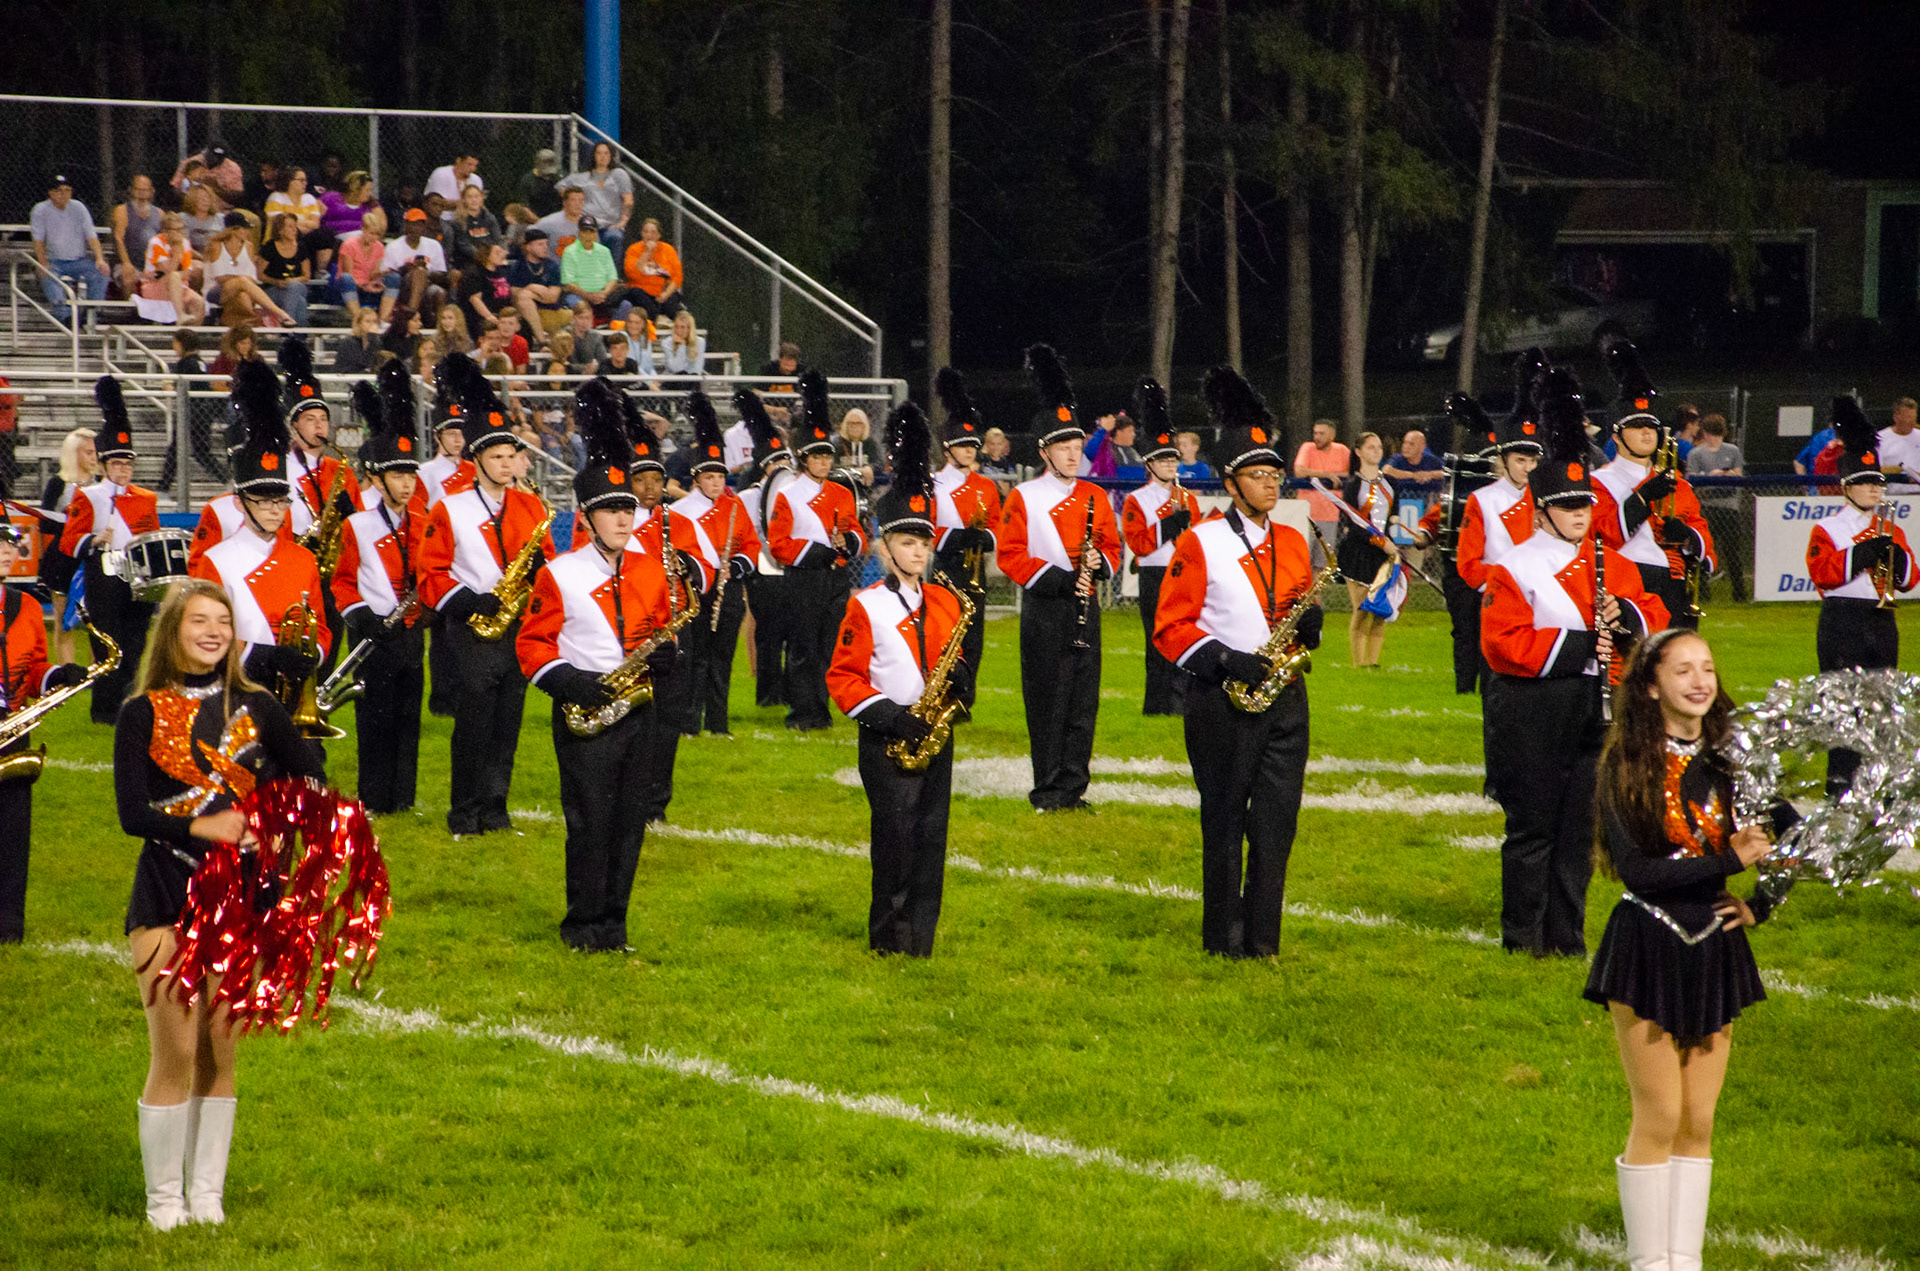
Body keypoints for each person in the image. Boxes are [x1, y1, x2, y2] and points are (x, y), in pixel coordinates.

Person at [116, 580, 324, 1231]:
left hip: (243, 895)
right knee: (175, 1051)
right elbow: (132, 814)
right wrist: (201, 827)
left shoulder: (258, 705)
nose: (212, 632)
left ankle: (207, 1197)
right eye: (199, 621)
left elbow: (311, 775)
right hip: (167, 892)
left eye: (223, 622)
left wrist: (277, 819)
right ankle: (163, 1203)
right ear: (173, 630)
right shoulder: (142, 712)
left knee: (219, 1050)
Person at [1584, 629, 1780, 1271]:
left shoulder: (1734, 762)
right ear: (1651, 686)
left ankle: (1684, 1260)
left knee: (1699, 1118)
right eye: (1683, 670)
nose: (1700, 681)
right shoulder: (1624, 763)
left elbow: (1794, 833)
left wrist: (1762, 903)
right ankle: (1650, 1263)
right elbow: (1638, 873)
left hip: (1717, 946)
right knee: (1661, 1114)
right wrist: (1729, 862)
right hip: (1647, 942)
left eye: (1708, 669)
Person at [1480, 370, 1667, 957]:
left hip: (1597, 704)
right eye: (1566, 506)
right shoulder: (1515, 566)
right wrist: (1586, 643)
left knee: (1579, 828)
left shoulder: (1614, 563)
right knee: (1533, 825)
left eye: (1584, 504)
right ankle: (1522, 939)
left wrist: (1627, 618)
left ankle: (1567, 939)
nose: (1580, 515)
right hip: (1534, 706)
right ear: (1542, 512)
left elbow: (1655, 620)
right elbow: (1503, 644)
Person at [1153, 367, 1321, 957]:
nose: (1271, 484)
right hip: (1222, 700)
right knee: (1224, 821)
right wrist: (1224, 659)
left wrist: (1310, 625)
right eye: (1258, 474)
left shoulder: (1294, 540)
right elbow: (1170, 627)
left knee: (1277, 824)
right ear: (1231, 481)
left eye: (1275, 473)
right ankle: (1223, 939)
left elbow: (1294, 603)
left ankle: (1263, 940)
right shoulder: (1200, 541)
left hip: (1286, 698)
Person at [518, 380, 674, 951]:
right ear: (586, 517)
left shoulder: (651, 568)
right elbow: (532, 646)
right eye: (611, 509)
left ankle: (615, 923)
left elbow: (659, 626)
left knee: (630, 823)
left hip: (638, 711)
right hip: (584, 712)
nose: (624, 518)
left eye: (628, 508)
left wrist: (668, 653)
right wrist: (571, 683)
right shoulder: (559, 573)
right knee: (589, 822)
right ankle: (582, 925)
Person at [829, 404, 970, 957]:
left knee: (932, 836)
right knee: (894, 838)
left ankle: (921, 938)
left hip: (936, 732)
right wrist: (891, 716)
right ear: (885, 549)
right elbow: (843, 677)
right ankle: (888, 937)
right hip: (888, 735)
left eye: (924, 544)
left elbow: (952, 659)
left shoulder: (945, 600)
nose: (918, 552)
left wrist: (960, 684)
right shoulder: (865, 605)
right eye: (908, 543)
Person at [418, 354, 557, 835]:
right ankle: (464, 811)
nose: (506, 464)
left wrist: (538, 578)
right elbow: (431, 573)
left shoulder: (530, 505)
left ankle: (496, 810)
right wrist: (470, 601)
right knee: (475, 722)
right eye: (497, 457)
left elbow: (546, 562)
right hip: (472, 626)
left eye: (511, 456)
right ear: (476, 460)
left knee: (507, 721)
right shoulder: (449, 508)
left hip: (517, 625)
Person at [997, 345, 1121, 812]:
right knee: (1049, 700)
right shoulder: (1025, 496)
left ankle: (1073, 787)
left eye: (1076, 447)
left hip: (1086, 607)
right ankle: (1048, 788)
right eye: (1064, 449)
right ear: (1044, 451)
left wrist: (1097, 564)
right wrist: (1061, 578)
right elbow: (1010, 555)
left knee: (1083, 703)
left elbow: (1112, 548)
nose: (1073, 456)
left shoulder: (1095, 496)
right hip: (1046, 608)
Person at [187, 359, 333, 705]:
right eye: (263, 500)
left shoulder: (303, 559)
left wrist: (313, 656)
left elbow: (321, 627)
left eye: (280, 500)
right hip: (235, 690)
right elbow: (204, 634)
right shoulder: (215, 561)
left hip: (292, 694)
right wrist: (264, 657)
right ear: (240, 503)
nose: (274, 509)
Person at [1805, 396, 1918, 796]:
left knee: (1881, 705)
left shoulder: (1892, 528)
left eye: (1878, 483)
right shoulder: (1829, 528)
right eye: (1866, 482)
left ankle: (1878, 784)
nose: (1874, 489)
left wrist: (1897, 558)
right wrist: (1862, 553)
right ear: (1848, 486)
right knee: (1843, 704)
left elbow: (1909, 580)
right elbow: (1821, 573)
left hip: (1882, 619)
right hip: (1842, 621)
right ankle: (1840, 783)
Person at [331, 364, 426, 814]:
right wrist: (361, 615)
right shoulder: (358, 524)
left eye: (411, 476)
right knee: (374, 715)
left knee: (409, 716)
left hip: (409, 631)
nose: (407, 484)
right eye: (398, 476)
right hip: (371, 633)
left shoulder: (424, 524)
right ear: (379, 478)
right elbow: (342, 581)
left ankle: (402, 798)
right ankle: (373, 795)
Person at [0, 523, 89, 944]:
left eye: (9, 543)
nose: (7, 551)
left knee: (13, 832)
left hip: (12, 730)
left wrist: (56, 674)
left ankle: (7, 927)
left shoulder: (27, 606)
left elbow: (34, 666)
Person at [769, 376, 868, 733]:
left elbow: (858, 532)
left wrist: (849, 543)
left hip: (835, 579)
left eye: (828, 457)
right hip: (804, 578)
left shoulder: (842, 493)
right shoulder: (789, 494)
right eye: (818, 457)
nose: (825, 463)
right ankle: (801, 712)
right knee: (803, 646)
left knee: (830, 646)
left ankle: (822, 710)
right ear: (804, 459)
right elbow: (778, 543)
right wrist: (816, 553)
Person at [60, 379, 162, 722]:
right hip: (103, 576)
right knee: (108, 643)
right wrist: (93, 540)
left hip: (138, 577)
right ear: (104, 465)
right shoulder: (88, 496)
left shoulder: (146, 498)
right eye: (117, 464)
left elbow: (153, 536)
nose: (123, 470)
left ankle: (130, 704)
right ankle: (104, 710)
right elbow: (68, 541)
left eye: (128, 464)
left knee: (136, 643)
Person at [1592, 346, 1715, 632]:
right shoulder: (1598, 482)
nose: (1647, 432)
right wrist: (1643, 497)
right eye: (1637, 426)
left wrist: (1688, 538)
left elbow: (1704, 539)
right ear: (1617, 437)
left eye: (1651, 425)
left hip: (1674, 585)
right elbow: (1600, 536)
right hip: (1627, 583)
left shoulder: (1678, 485)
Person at [668, 390, 763, 736]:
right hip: (695, 595)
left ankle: (718, 724)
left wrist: (734, 568)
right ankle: (689, 722)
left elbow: (751, 547)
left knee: (722, 658)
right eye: (709, 478)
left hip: (729, 591)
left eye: (720, 477)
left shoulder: (735, 508)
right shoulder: (680, 512)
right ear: (696, 480)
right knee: (694, 658)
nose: (716, 483)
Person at [1401, 392, 1500, 695]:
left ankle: (1492, 686)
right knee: (1465, 630)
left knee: (1494, 629)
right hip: (1460, 568)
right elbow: (1437, 516)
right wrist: (1423, 534)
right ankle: (1465, 687)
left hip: (1497, 572)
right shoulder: (1468, 494)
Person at [1118, 379, 1199, 715]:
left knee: (1183, 634)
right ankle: (1155, 703)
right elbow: (1137, 542)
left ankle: (1180, 702)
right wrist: (1169, 524)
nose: (1171, 465)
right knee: (1155, 637)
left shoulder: (1188, 498)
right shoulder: (1136, 499)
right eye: (1163, 461)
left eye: (1173, 460)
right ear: (1149, 464)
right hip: (1154, 573)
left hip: (1183, 573)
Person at [930, 368, 1004, 714]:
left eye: (973, 445)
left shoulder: (987, 486)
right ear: (948, 449)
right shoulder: (934, 484)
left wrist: (985, 537)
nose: (970, 450)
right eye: (963, 445)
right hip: (946, 569)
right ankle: (941, 694)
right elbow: (929, 528)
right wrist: (959, 536)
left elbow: (997, 527)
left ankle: (964, 699)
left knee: (974, 637)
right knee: (946, 633)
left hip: (976, 571)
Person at [736, 393, 795, 710]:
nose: (784, 467)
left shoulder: (796, 493)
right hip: (763, 570)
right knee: (768, 634)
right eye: (778, 463)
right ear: (765, 467)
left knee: (793, 633)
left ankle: (790, 691)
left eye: (786, 461)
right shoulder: (747, 498)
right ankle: (768, 693)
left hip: (791, 568)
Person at [1337, 432, 1399, 668]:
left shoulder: (1390, 483)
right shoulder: (1354, 485)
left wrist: (1395, 526)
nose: (1376, 451)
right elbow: (1354, 525)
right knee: (1363, 608)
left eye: (1379, 447)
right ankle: (1358, 663)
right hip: (1359, 552)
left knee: (1381, 610)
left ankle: (1373, 663)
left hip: (1384, 554)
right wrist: (1381, 542)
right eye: (1371, 447)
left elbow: (1392, 514)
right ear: (1359, 452)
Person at [36, 427, 96, 663]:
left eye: (95, 452)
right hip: (63, 557)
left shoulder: (103, 483)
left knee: (97, 621)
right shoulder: (58, 484)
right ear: (74, 453)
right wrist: (70, 518)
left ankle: (98, 674)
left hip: (93, 555)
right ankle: (67, 673)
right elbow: (44, 523)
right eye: (88, 452)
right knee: (63, 621)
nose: (94, 457)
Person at [30, 174, 111, 327]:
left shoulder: (78, 207)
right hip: (54, 261)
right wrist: (42, 262)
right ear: (51, 193)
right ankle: (66, 317)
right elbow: (38, 240)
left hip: (78, 260)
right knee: (48, 275)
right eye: (59, 190)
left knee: (101, 272)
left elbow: (91, 235)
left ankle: (92, 311)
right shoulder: (40, 210)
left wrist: (100, 258)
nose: (64, 194)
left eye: (67, 190)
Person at [1685, 413, 1745, 603]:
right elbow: (1691, 479)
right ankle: (1703, 594)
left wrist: (1729, 475)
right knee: (1703, 550)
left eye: (1718, 435)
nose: (1714, 439)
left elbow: (1739, 474)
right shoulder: (1696, 453)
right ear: (1705, 433)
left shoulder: (1732, 451)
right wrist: (1710, 476)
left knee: (1733, 552)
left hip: (1729, 506)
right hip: (1707, 507)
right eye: (1711, 435)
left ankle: (1740, 594)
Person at [156, 331, 225, 493]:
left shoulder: (186, 363)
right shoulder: (200, 362)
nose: (174, 348)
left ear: (182, 344)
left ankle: (163, 488)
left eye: (176, 343)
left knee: (177, 450)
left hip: (190, 411)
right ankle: (226, 478)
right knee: (200, 451)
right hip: (203, 411)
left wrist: (171, 388)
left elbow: (185, 386)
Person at [558, 143, 634, 257]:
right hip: (588, 223)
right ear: (594, 155)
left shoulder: (618, 174)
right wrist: (575, 201)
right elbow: (561, 187)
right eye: (599, 153)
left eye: (606, 153)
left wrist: (623, 222)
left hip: (611, 225)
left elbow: (628, 200)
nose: (603, 157)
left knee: (615, 237)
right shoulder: (583, 177)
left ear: (611, 156)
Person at [1292, 420, 1351, 570]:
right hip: (1307, 514)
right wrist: (1327, 475)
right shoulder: (1308, 448)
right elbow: (1299, 471)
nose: (1317, 437)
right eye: (1315, 433)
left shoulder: (1342, 450)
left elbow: (1352, 473)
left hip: (1330, 515)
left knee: (1322, 564)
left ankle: (1317, 587)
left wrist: (1334, 475)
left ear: (1332, 435)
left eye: (1321, 434)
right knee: (1302, 561)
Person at [379, 210, 449, 325]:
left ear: (424, 227)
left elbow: (442, 274)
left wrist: (426, 271)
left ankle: (440, 327)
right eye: (412, 224)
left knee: (439, 292)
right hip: (403, 287)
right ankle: (411, 316)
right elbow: (386, 276)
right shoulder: (393, 246)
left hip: (428, 284)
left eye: (419, 225)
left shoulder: (434, 245)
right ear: (405, 226)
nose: (415, 228)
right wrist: (405, 269)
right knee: (419, 272)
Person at [138, 212, 207, 325]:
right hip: (154, 285)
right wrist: (176, 252)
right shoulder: (156, 243)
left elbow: (187, 272)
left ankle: (192, 333)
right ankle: (180, 315)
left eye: (182, 229)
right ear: (165, 232)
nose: (181, 233)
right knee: (174, 276)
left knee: (199, 302)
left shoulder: (185, 243)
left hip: (178, 285)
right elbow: (167, 271)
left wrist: (176, 276)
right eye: (177, 230)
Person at [616, 218, 687, 325]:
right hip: (642, 292)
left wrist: (666, 294)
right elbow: (632, 274)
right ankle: (656, 320)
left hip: (663, 292)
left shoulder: (668, 250)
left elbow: (677, 277)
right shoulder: (633, 249)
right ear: (642, 234)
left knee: (672, 299)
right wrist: (646, 253)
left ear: (658, 235)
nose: (649, 235)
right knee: (636, 293)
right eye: (646, 232)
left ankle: (672, 323)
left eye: (653, 232)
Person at [509, 229, 568, 342]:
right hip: (524, 311)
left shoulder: (553, 266)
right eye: (540, 244)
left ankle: (540, 340)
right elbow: (515, 296)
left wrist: (531, 291)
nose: (545, 247)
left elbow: (552, 297)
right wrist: (534, 289)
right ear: (528, 247)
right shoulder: (517, 267)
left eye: (546, 244)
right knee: (524, 299)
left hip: (551, 310)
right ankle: (541, 341)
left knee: (525, 296)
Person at [559, 216, 623, 321]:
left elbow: (613, 279)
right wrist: (588, 295)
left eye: (591, 232)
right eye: (585, 232)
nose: (588, 236)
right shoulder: (569, 252)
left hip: (603, 295)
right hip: (579, 295)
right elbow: (568, 283)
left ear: (596, 233)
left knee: (625, 305)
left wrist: (604, 293)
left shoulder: (604, 251)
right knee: (579, 305)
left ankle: (614, 328)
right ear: (579, 233)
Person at [111, 175, 164, 299]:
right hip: (128, 263)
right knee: (128, 275)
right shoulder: (122, 211)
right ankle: (131, 309)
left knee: (169, 276)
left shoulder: (160, 214)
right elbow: (119, 238)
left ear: (152, 191)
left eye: (145, 190)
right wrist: (126, 263)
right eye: (138, 190)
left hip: (153, 265)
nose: (141, 194)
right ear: (131, 190)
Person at [259, 214, 313, 327]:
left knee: (294, 287)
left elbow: (306, 276)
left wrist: (292, 281)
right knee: (301, 302)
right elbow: (260, 275)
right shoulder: (269, 247)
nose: (294, 230)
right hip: (274, 289)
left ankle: (287, 321)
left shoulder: (301, 247)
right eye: (290, 227)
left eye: (295, 226)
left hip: (298, 286)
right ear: (280, 230)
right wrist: (276, 282)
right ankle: (299, 333)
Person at [332, 210, 389, 317]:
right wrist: (364, 285)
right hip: (347, 285)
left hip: (367, 286)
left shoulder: (379, 247)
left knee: (393, 278)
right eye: (371, 233)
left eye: (377, 234)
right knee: (346, 278)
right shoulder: (349, 245)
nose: (374, 237)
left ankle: (383, 319)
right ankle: (358, 318)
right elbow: (349, 274)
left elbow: (373, 275)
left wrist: (379, 276)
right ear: (363, 229)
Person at [455, 241, 514, 342]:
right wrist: (490, 317)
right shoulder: (474, 273)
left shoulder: (502, 271)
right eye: (497, 252)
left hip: (502, 315)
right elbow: (475, 299)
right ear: (486, 255)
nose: (502, 255)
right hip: (481, 317)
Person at [447, 182, 502, 276]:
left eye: (476, 196)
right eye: (470, 197)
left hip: (491, 260)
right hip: (469, 263)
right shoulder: (458, 222)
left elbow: (497, 240)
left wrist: (494, 255)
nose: (474, 200)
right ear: (464, 200)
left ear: (481, 198)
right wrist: (483, 256)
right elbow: (464, 245)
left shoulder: (490, 218)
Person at [1382, 427, 1445, 508]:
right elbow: (1386, 470)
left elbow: (1446, 473)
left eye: (1411, 444)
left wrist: (1429, 474)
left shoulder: (1432, 461)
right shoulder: (1397, 459)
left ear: (1422, 447)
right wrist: (1414, 475)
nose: (1406, 447)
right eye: (1405, 443)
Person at [1875, 395, 1920, 492]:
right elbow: (1876, 469)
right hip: (1893, 494)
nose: (1911, 422)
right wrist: (1900, 470)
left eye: (1913, 417)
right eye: (1907, 417)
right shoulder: (1880, 439)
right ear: (1896, 417)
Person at [834, 407, 884, 492]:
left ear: (864, 426)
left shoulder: (870, 444)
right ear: (845, 425)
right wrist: (858, 471)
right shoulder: (838, 444)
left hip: (867, 488)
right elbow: (833, 466)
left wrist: (870, 468)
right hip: (843, 487)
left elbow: (879, 463)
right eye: (851, 423)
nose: (854, 427)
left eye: (858, 423)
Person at [319, 171, 377, 242]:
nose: (370, 193)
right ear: (356, 189)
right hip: (332, 240)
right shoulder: (331, 198)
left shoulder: (367, 207)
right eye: (367, 190)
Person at [424, 153, 484, 221]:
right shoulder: (441, 174)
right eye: (469, 164)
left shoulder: (476, 180)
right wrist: (465, 203)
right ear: (458, 160)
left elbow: (478, 205)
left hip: (466, 220)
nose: (472, 169)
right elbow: (437, 204)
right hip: (441, 219)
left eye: (475, 166)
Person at [1082, 411, 1139, 479]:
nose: (1133, 435)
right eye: (1130, 431)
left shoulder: (1132, 453)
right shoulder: (1106, 452)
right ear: (1119, 433)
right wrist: (1102, 430)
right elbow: (1090, 452)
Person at [532, 186, 588, 253]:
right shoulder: (551, 221)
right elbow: (529, 233)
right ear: (564, 203)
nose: (577, 204)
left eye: (581, 200)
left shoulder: (588, 223)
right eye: (573, 200)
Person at [332, 306, 384, 376]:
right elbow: (364, 363)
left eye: (374, 321)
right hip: (348, 378)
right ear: (359, 323)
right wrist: (372, 339)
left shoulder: (377, 341)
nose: (372, 325)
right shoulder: (349, 342)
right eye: (367, 321)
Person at [659, 309, 706, 377]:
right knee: (680, 374)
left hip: (692, 378)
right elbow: (675, 369)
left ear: (689, 329)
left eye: (682, 327)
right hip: (673, 378)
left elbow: (697, 369)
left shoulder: (700, 342)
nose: (679, 331)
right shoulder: (667, 342)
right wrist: (682, 346)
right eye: (676, 327)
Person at [518, 149, 563, 218]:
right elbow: (524, 206)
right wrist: (538, 221)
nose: (548, 177)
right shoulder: (528, 180)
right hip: (535, 216)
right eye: (546, 175)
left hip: (557, 216)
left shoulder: (559, 177)